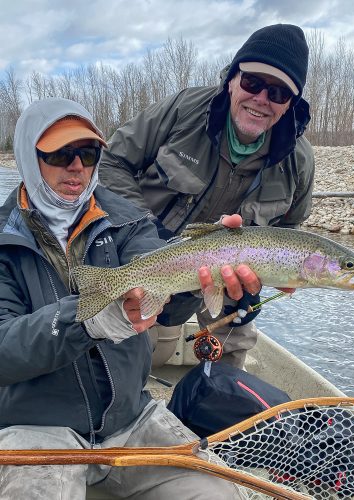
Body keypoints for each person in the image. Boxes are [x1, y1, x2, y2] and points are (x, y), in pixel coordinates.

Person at [0, 97, 259, 499]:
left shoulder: (127, 218)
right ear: (27, 157)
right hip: (35, 427)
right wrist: (86, 319)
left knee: (222, 493)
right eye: (60, 154)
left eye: (87, 153)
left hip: (132, 419)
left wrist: (196, 275)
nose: (77, 167)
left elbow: (160, 292)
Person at [99, 23, 314, 368]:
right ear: (231, 80)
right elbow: (111, 162)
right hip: (144, 254)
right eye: (253, 82)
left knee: (232, 360)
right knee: (116, 355)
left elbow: (291, 229)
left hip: (231, 282)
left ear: (290, 104)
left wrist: (282, 276)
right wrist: (141, 237)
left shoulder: (299, 161)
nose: (261, 98)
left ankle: (220, 403)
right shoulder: (185, 110)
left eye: (278, 93)